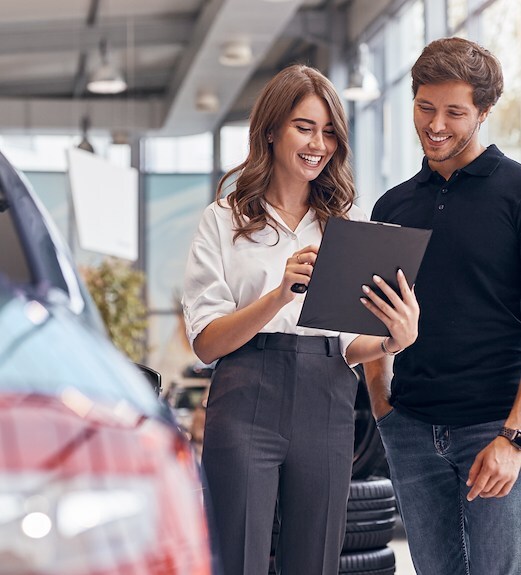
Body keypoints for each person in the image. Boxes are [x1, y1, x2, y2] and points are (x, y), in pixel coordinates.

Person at [182, 64, 419, 575]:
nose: (319, 143)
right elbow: (205, 343)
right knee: (237, 556)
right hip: (245, 394)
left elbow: (349, 340)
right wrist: (278, 295)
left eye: (329, 131)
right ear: (270, 131)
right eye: (304, 127)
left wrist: (390, 341)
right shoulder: (223, 220)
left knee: (316, 560)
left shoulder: (348, 223)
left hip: (328, 396)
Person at [364, 37, 521, 575]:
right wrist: (384, 408)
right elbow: (372, 314)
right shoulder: (394, 204)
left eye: (454, 112)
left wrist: (514, 437)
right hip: (411, 429)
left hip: (494, 429)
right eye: (425, 107)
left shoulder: (517, 193)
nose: (436, 125)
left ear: (483, 112)